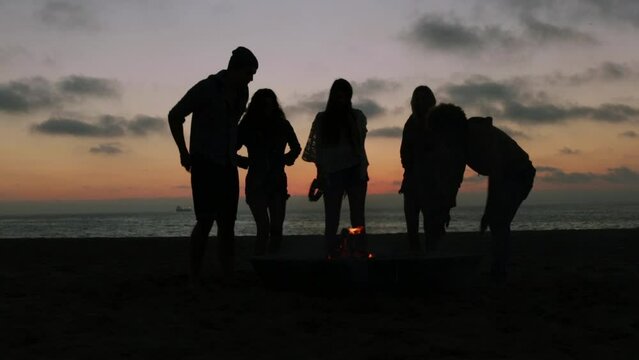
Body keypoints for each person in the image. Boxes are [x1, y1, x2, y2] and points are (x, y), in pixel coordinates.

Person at [168, 47, 258, 285]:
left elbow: (229, 128)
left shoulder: (243, 93)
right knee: (206, 220)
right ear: (236, 69)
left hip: (227, 165)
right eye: (250, 72)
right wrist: (183, 152)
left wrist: (235, 156)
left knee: (228, 224)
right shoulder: (206, 88)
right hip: (205, 164)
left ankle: (227, 273)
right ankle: (194, 274)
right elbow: (175, 115)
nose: (252, 78)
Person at [427, 103, 536, 283]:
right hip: (507, 175)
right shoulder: (459, 143)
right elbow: (455, 177)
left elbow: (497, 172)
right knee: (498, 222)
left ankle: (499, 271)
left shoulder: (478, 135)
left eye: (440, 134)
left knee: (498, 222)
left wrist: (488, 210)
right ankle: (498, 269)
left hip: (519, 174)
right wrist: (446, 207)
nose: (440, 141)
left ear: (449, 128)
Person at [302, 79, 369, 257]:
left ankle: (359, 252)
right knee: (332, 219)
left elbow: (359, 145)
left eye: (345, 94)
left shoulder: (358, 116)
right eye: (339, 93)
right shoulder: (322, 119)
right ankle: (330, 253)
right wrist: (320, 176)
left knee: (358, 217)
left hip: (355, 171)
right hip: (333, 173)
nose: (342, 97)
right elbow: (318, 153)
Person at [236, 89, 301, 255]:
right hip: (257, 181)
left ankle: (272, 262)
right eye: (263, 105)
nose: (267, 109)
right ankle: (263, 263)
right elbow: (230, 148)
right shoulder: (248, 125)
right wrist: (245, 161)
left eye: (270, 105)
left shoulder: (282, 125)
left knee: (276, 228)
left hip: (277, 181)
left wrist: (286, 159)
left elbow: (296, 148)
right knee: (264, 228)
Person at [400, 85, 450, 253]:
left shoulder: (439, 122)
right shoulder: (410, 123)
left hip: (432, 184)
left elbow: (445, 152)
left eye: (424, 98)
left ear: (430, 101)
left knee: (432, 228)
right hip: (412, 183)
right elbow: (404, 152)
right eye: (417, 99)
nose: (420, 102)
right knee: (412, 230)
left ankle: (432, 260)